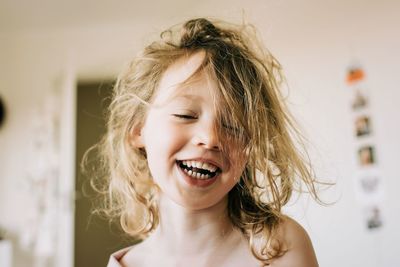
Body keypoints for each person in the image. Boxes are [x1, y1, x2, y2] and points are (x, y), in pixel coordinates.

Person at [92, 18, 321, 267]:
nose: (211, 138)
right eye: (185, 115)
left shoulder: (280, 248)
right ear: (138, 130)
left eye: (233, 125)